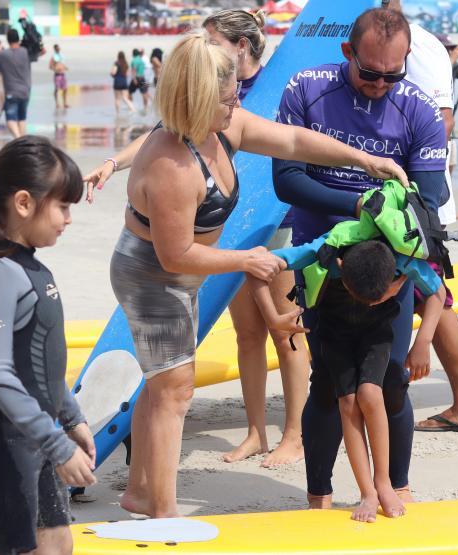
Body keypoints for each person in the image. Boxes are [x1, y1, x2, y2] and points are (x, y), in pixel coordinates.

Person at [112, 31, 409, 519]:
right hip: (152, 274)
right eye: (227, 101)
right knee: (176, 386)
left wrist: (366, 160)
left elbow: (293, 140)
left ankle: (142, 491)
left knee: (163, 381)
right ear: (198, 99)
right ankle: (163, 513)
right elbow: (174, 255)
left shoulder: (221, 129)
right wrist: (246, 259)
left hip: (179, 272)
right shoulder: (170, 162)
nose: (235, 108)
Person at [85, 9, 311, 468]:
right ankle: (254, 431)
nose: (200, 47)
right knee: (248, 332)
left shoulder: (269, 88)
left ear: (240, 46)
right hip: (224, 227)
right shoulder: (205, 88)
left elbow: (290, 140)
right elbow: (162, 135)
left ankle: (294, 433)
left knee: (285, 328)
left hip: (270, 219)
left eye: (211, 39)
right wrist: (115, 162)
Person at [273, 7, 449, 509]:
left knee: (390, 380)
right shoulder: (307, 88)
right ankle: (319, 496)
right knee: (328, 385)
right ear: (348, 52)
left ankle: (397, 487)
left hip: (385, 269)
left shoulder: (418, 110)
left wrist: (388, 251)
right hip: (324, 263)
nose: (380, 84)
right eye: (369, 72)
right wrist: (356, 205)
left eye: (392, 75)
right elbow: (287, 180)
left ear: (407, 61)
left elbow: (429, 200)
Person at [251, 219, 446, 522]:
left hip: (377, 333)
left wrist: (424, 340)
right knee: (347, 402)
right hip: (334, 333)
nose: (369, 302)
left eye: (378, 297)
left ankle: (384, 483)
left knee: (371, 393)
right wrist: (273, 317)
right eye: (362, 296)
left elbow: (437, 292)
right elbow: (258, 265)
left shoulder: (401, 255)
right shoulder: (325, 249)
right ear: (340, 265)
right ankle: (366, 491)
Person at [0, 136, 95, 555]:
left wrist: (71, 416)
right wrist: (56, 441)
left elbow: (40, 360)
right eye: (63, 206)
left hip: (35, 431)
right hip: (1, 439)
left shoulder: (31, 266)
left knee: (57, 544)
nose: (69, 218)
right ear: (23, 203)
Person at [386, 1, 458, 434]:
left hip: (413, 201)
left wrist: (404, 188)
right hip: (392, 198)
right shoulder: (373, 33)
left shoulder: (420, 45)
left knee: (432, 294)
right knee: (421, 293)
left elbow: (440, 122)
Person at [0, 29, 39, 138]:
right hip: (26, 91)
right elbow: (41, 52)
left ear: (8, 40)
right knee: (22, 119)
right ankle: (23, 141)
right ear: (18, 39)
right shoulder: (25, 52)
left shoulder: (3, 55)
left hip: (12, 92)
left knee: (10, 119)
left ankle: (18, 139)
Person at [50, 44, 69, 109]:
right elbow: (50, 66)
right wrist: (55, 69)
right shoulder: (53, 57)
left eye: (59, 48)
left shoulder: (61, 56)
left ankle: (65, 103)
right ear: (55, 49)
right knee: (57, 89)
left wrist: (65, 67)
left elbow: (62, 64)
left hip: (63, 74)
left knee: (65, 89)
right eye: (57, 48)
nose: (58, 49)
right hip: (57, 75)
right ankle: (57, 103)